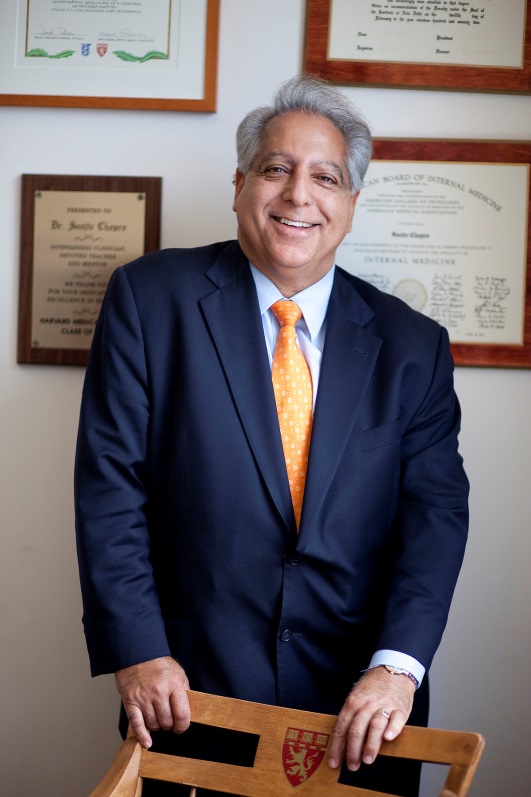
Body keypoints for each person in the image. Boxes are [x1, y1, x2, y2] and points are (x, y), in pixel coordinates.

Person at [75, 75, 469, 797]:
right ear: (238, 184)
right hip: (190, 694)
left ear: (350, 205)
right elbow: (110, 489)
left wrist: (396, 666)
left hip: (360, 711)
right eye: (275, 168)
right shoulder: (149, 298)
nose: (297, 195)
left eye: (325, 176)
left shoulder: (412, 345)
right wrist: (138, 651)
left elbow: (435, 520)